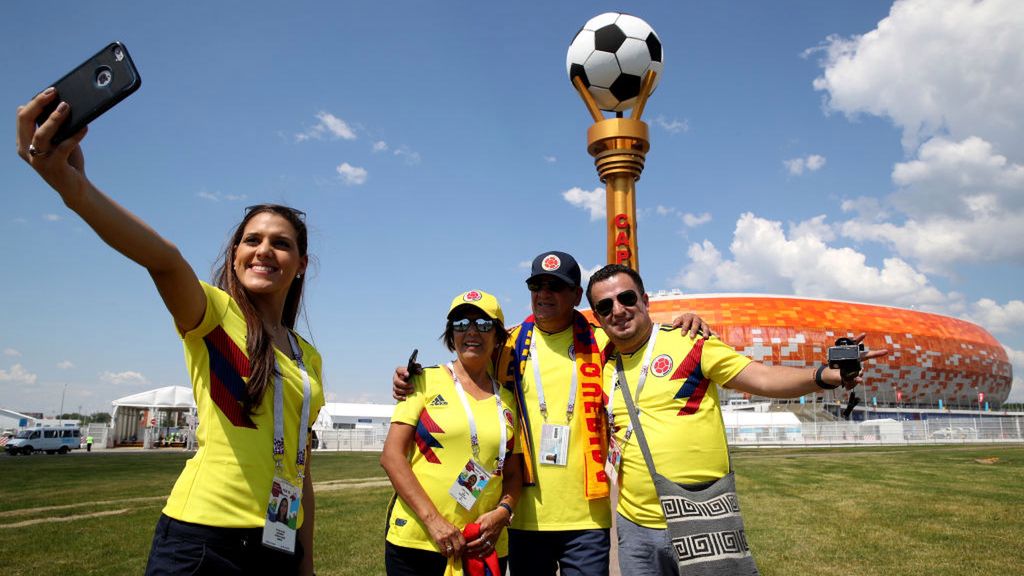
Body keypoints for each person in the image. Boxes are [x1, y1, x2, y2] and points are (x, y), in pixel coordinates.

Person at [17, 89, 323, 575]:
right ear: (235, 255)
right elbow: (162, 260)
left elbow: (300, 468)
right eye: (252, 240)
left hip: (279, 546)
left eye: (281, 244)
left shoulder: (307, 355)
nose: (264, 250)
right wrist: (72, 187)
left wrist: (304, 559)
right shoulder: (215, 313)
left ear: (302, 264)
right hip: (202, 542)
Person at [395, 251, 712, 576]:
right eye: (537, 286)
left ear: (576, 295)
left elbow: (647, 340)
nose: (544, 294)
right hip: (525, 518)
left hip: (587, 519)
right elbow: (461, 371)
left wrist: (688, 321)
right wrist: (408, 377)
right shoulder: (508, 345)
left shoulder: (603, 341)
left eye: (556, 286)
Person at [585, 264, 888, 575]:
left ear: (645, 300)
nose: (617, 310)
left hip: (703, 515)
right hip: (634, 527)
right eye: (605, 306)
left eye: (626, 298)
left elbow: (763, 378)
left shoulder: (690, 341)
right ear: (596, 316)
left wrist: (825, 375)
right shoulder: (600, 360)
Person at [381, 290, 523, 576]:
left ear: (497, 336)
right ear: (451, 334)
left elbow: (513, 472)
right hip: (418, 541)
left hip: (481, 545)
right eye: (461, 324)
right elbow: (391, 456)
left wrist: (503, 513)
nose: (471, 332)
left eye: (483, 324)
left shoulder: (508, 399)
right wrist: (435, 522)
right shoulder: (422, 381)